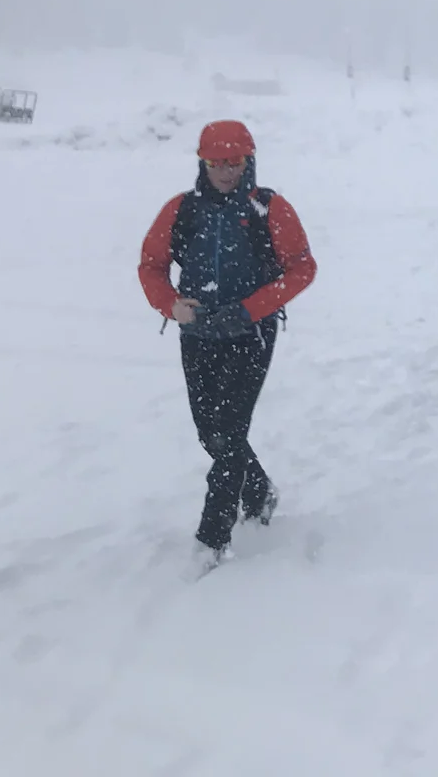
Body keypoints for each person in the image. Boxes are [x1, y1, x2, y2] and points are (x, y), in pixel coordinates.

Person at [138, 120, 317, 573]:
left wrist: (251, 309)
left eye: (233, 161)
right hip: (197, 336)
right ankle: (258, 491)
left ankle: (211, 540)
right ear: (202, 163)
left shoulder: (269, 208)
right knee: (210, 433)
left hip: (250, 337)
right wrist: (170, 305)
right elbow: (151, 265)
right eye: (215, 162)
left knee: (230, 432)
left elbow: (301, 268)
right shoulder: (182, 210)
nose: (225, 171)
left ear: (248, 160)